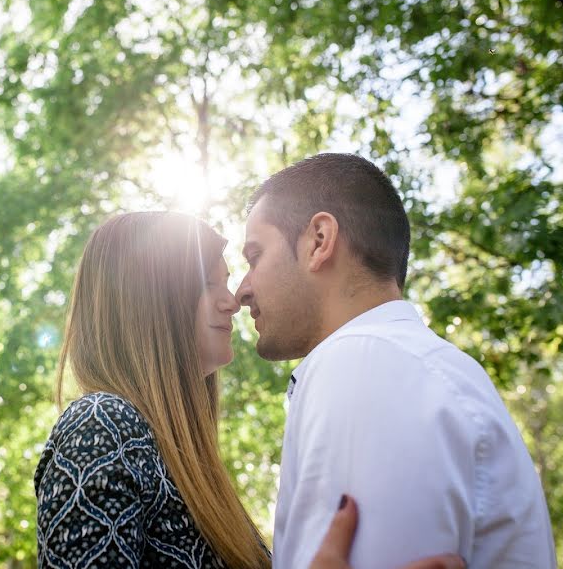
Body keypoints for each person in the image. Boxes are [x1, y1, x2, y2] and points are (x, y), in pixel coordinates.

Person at [35, 211, 465, 568]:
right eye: (208, 283)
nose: (231, 300)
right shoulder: (100, 424)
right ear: (144, 297)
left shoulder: (187, 465)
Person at [234, 153, 557, 569]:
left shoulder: (360, 367)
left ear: (318, 240)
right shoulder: (409, 365)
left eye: (255, 256)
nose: (242, 290)